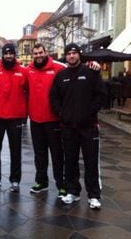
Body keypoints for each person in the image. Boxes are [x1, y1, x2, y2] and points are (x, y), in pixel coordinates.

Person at [50, 43, 105, 210]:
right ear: (65, 57)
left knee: (91, 161)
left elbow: (101, 95)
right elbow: (54, 98)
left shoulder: (90, 72)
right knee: (70, 160)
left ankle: (94, 195)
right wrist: (62, 113)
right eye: (68, 54)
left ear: (79, 55)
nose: (71, 56)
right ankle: (72, 191)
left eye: (74, 53)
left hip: (88, 126)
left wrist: (89, 113)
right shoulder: (61, 76)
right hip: (68, 126)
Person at [27, 43, 66, 197]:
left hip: (53, 120)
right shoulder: (28, 70)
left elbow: (76, 69)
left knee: (57, 154)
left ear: (46, 52)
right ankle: (41, 182)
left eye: (40, 52)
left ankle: (61, 184)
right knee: (39, 154)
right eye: (35, 53)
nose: (38, 55)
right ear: (33, 55)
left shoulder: (58, 68)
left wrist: (92, 65)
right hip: (35, 119)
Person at [0, 43, 28, 192]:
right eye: (6, 53)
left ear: (14, 54)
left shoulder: (23, 72)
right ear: (3, 55)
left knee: (16, 149)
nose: (8, 56)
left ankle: (15, 180)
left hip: (15, 117)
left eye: (11, 53)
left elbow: (28, 90)